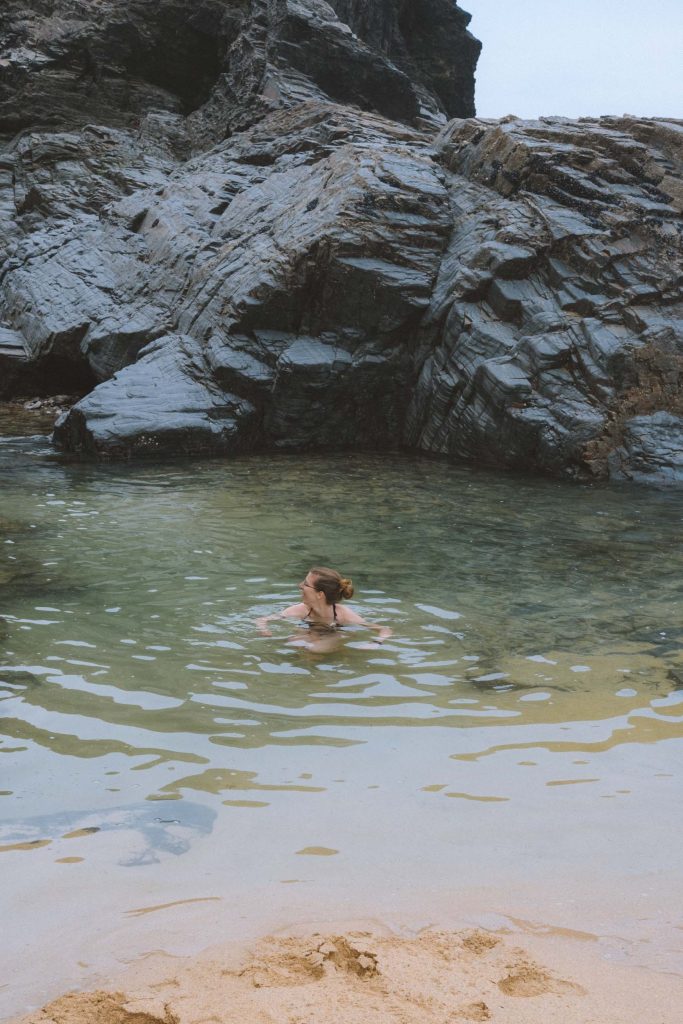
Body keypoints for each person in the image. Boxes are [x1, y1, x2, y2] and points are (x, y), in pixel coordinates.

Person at [256, 566, 392, 649]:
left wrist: (375, 643)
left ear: (320, 594)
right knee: (295, 642)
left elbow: (384, 630)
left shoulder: (343, 614)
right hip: (309, 631)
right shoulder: (300, 610)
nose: (300, 585)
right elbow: (262, 619)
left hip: (334, 633)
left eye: (306, 584)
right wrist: (264, 629)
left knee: (314, 649)